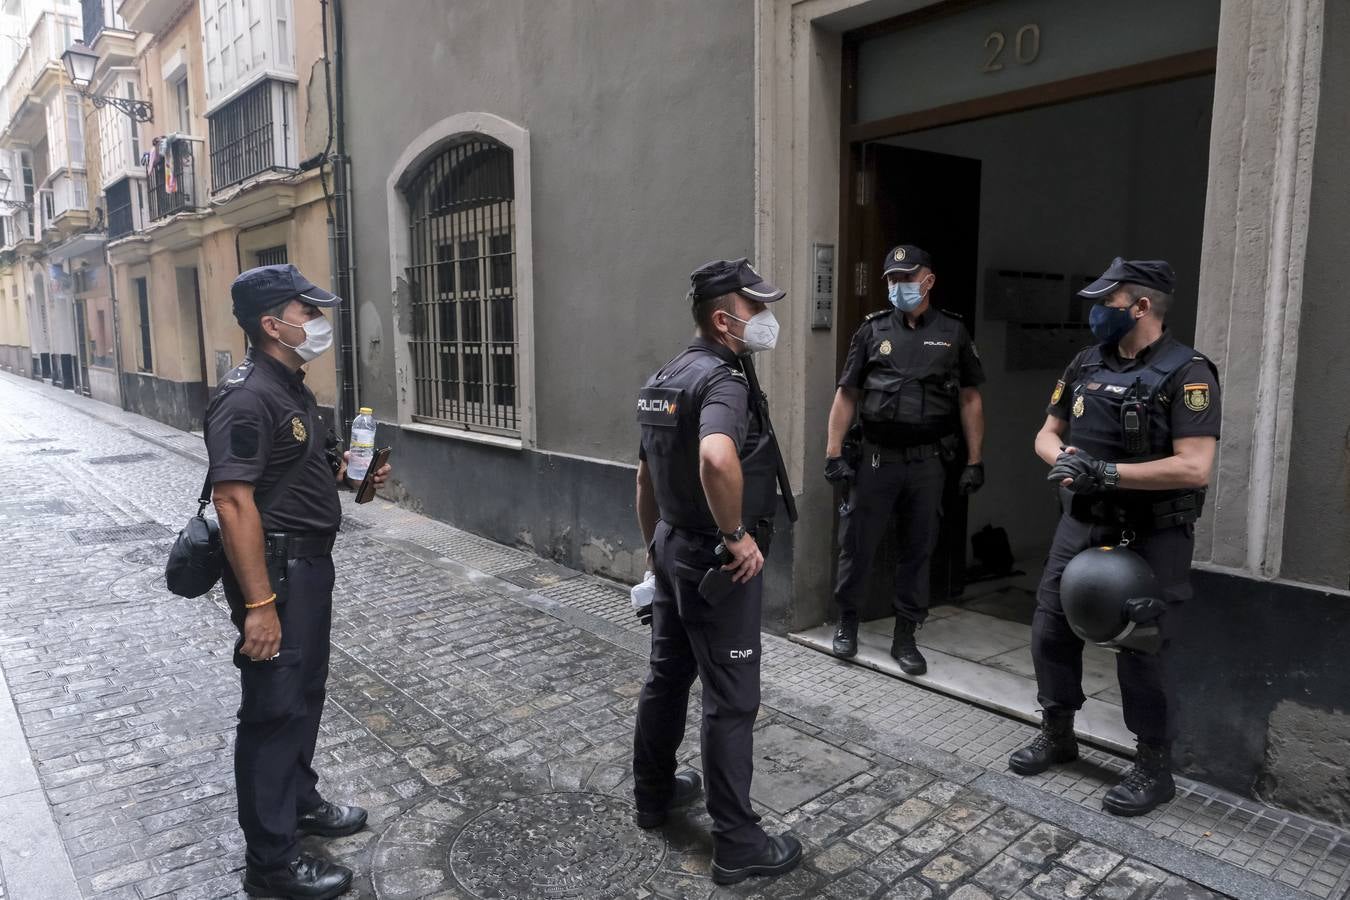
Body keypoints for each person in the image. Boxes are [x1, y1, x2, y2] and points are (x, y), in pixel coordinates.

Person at [1007, 257, 1221, 818]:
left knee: (1142, 647)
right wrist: (1065, 460)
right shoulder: (1085, 362)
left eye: (1107, 303)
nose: (1098, 313)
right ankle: (1058, 733)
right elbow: (1047, 434)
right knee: (1051, 628)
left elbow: (1195, 466)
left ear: (1141, 306)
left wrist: (1111, 474)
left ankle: (1153, 766)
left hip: (1152, 533)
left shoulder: (1188, 372)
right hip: (1081, 523)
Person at [207, 264, 391, 898]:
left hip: (310, 565)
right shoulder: (247, 394)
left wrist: (352, 478)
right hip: (277, 572)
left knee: (304, 695)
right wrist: (260, 603)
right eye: (306, 312)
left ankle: (301, 802)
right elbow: (233, 502)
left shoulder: (291, 386)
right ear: (272, 324)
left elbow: (300, 470)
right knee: (273, 710)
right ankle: (273, 865)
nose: (317, 323)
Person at [632, 258, 803, 886]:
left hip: (673, 548)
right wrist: (735, 536)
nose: (765, 319)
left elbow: (646, 477)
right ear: (723, 318)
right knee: (731, 702)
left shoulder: (664, 376)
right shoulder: (723, 380)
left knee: (667, 678)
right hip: (714, 558)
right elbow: (715, 455)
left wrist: (654, 545)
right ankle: (737, 843)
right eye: (755, 308)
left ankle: (653, 796)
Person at [824, 244, 986, 674]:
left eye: (906, 278)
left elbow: (971, 398)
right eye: (892, 280)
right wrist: (834, 453)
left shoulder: (953, 332)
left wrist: (974, 460)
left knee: (918, 548)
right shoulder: (872, 331)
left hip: (927, 462)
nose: (898, 287)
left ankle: (905, 636)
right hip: (875, 459)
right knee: (857, 545)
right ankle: (848, 624)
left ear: (928, 281)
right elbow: (847, 394)